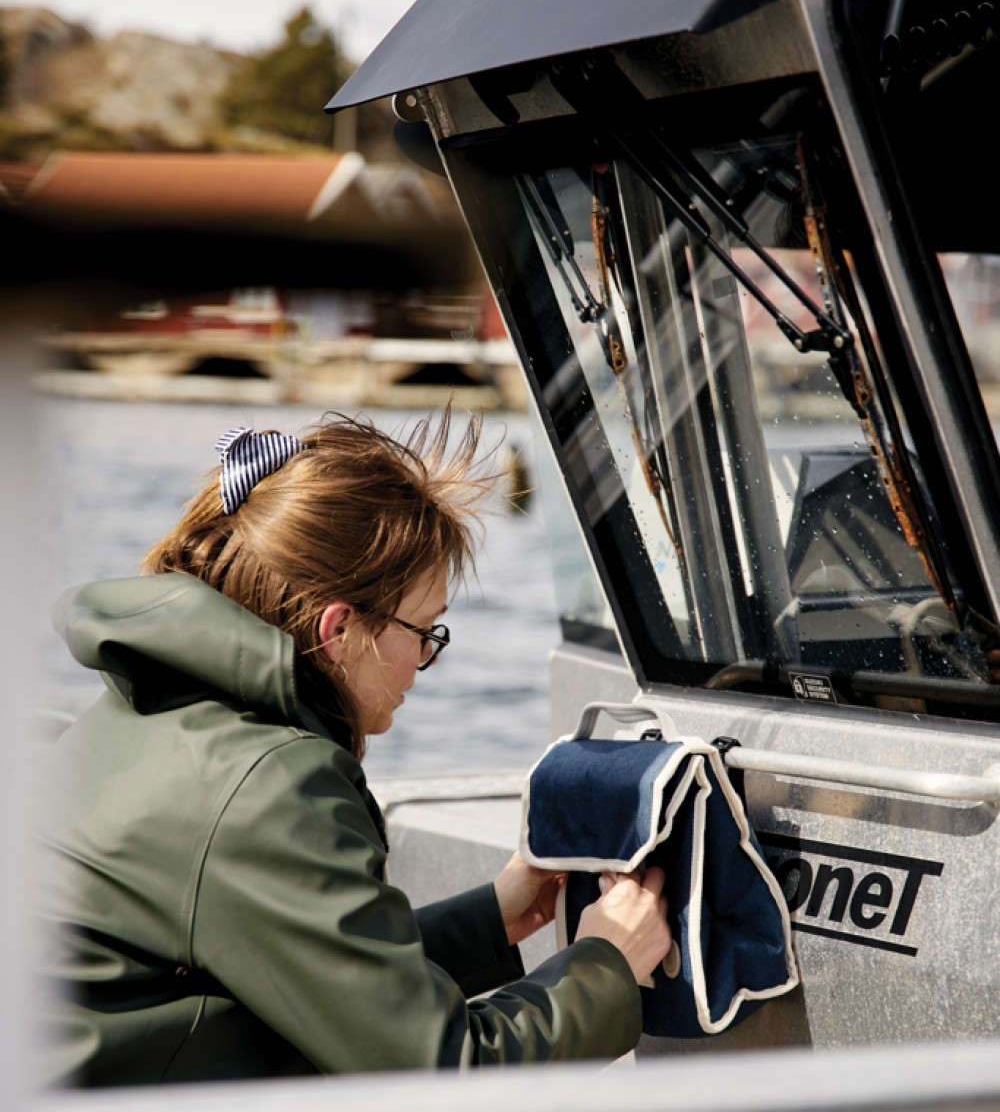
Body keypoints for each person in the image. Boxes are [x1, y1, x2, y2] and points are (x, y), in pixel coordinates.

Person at [35, 411, 672, 1086]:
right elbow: (437, 1073)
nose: (427, 656)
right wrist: (608, 961)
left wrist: (493, 917)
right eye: (425, 630)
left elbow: (291, 966)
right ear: (340, 630)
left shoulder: (159, 713)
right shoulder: (271, 783)